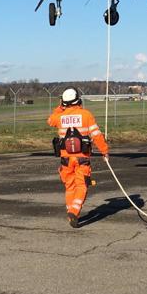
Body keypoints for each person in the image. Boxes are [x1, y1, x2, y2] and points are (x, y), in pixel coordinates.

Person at [47, 87, 109, 228]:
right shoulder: (86, 115)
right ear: (78, 100)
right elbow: (97, 135)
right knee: (82, 186)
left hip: (66, 160)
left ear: (64, 102)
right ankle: (74, 211)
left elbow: (50, 120)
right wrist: (105, 151)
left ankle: (71, 213)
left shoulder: (59, 117)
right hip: (82, 159)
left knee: (69, 187)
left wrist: (60, 107)